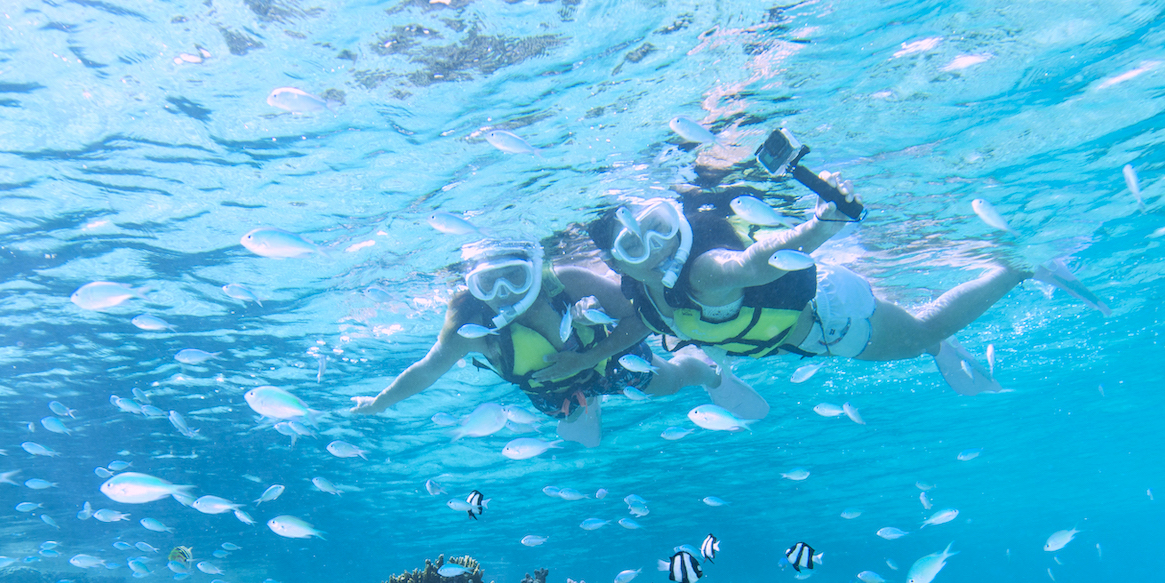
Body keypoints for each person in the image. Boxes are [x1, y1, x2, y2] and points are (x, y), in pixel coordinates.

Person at [581, 176, 1106, 395]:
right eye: (634, 247)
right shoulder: (635, 294)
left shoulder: (702, 272)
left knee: (925, 333)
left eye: (658, 228)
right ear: (619, 265)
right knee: (916, 327)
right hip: (795, 326)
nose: (655, 248)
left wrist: (816, 229)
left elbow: (750, 265)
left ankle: (1019, 266)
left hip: (827, 319)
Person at [350, 240, 748, 445]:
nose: (504, 293)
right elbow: (428, 368)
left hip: (611, 361)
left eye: (517, 278)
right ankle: (586, 406)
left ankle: (710, 374)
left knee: (670, 383)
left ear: (536, 271)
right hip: (549, 395)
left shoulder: (568, 282)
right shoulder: (473, 324)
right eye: (489, 283)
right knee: (571, 417)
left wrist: (585, 359)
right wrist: (379, 402)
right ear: (474, 286)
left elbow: (641, 317)